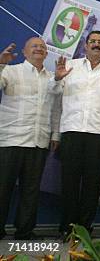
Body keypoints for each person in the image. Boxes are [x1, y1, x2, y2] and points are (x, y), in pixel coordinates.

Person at [50, 30, 100, 239]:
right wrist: (56, 78)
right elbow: (55, 98)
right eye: (93, 42)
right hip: (71, 131)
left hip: (98, 133)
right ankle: (67, 226)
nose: (96, 45)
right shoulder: (69, 67)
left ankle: (84, 227)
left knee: (92, 183)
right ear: (85, 45)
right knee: (69, 182)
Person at [0, 38, 60, 240]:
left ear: (46, 54)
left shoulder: (52, 78)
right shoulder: (10, 71)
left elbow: (56, 109)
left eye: (43, 47)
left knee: (31, 190)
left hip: (39, 140)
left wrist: (56, 134)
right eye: (34, 46)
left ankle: (24, 230)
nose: (39, 49)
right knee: (2, 187)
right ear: (25, 52)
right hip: (11, 139)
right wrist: (1, 64)